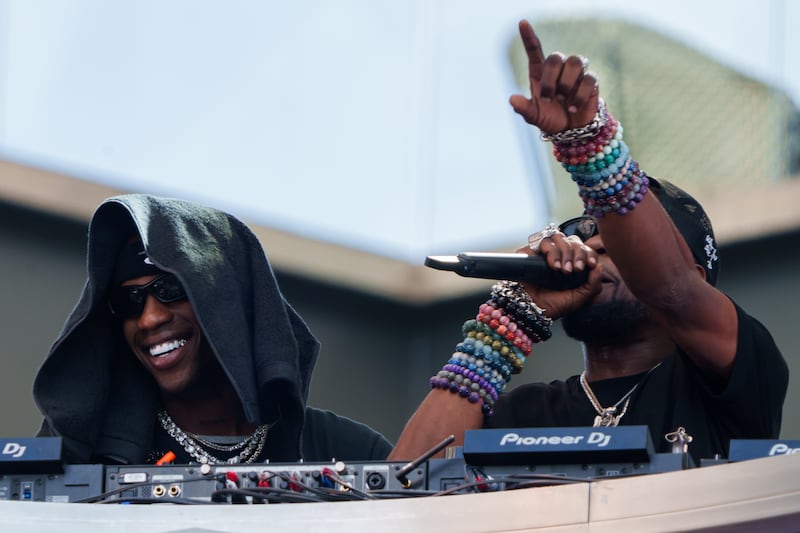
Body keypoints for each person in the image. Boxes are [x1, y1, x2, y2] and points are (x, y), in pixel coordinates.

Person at [390, 20, 788, 465]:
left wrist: (591, 147)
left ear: (696, 274)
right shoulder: (523, 414)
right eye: (583, 229)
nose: (593, 244)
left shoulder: (737, 377)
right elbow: (402, 491)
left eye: (616, 235)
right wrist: (510, 315)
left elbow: (667, 285)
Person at [33, 194, 392, 465]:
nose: (149, 318)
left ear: (228, 301)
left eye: (170, 291)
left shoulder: (344, 451)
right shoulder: (92, 459)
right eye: (130, 302)